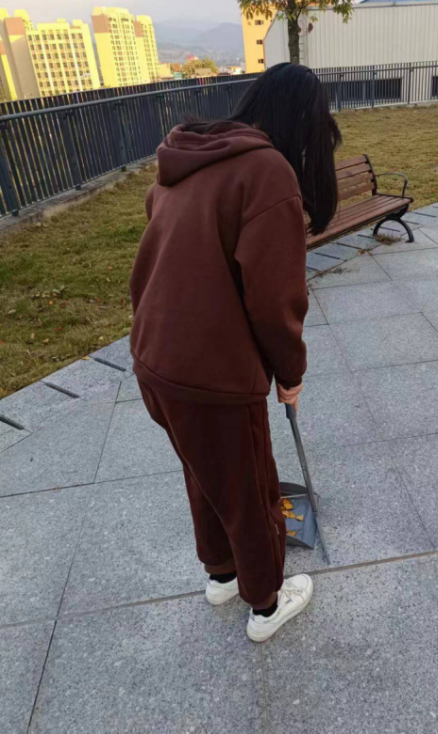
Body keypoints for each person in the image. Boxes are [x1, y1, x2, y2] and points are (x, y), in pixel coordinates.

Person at [130, 63, 341, 642]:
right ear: (301, 121)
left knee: (205, 473)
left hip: (155, 359)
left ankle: (222, 574)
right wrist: (290, 372)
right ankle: (266, 604)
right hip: (211, 370)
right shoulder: (266, 171)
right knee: (249, 487)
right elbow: (274, 299)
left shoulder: (190, 157)